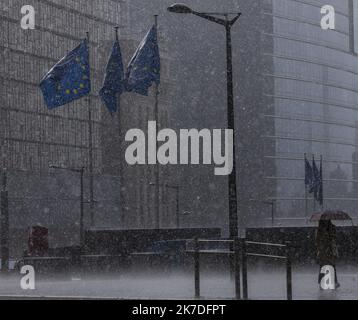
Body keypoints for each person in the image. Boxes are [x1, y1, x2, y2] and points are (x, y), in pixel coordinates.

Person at [315, 219, 339, 288]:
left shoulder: (321, 229)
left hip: (326, 250)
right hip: (327, 250)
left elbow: (317, 241)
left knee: (324, 266)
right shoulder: (321, 230)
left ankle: (324, 282)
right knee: (330, 266)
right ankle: (334, 281)